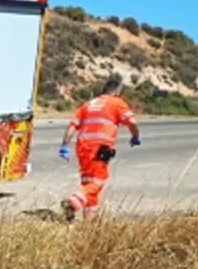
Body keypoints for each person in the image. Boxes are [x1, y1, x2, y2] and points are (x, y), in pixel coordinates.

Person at [58, 77, 142, 221]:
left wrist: (64, 146)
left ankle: (90, 224)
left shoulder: (88, 104)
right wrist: (135, 137)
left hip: (83, 148)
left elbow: (73, 126)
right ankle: (72, 203)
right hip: (100, 148)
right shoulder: (117, 103)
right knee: (97, 183)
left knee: (88, 184)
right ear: (117, 92)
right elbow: (132, 122)